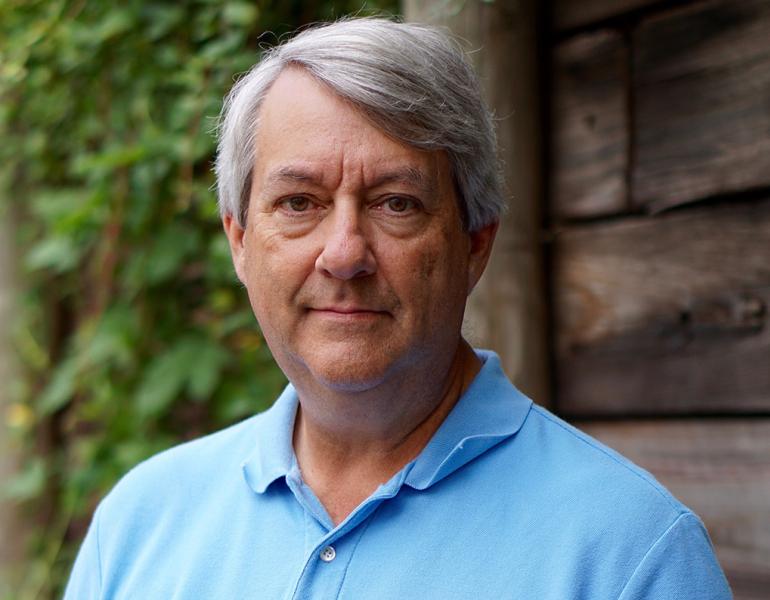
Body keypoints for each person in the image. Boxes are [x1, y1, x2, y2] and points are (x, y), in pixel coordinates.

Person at [64, 17, 731, 599]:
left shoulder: (632, 555)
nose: (345, 254)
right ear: (239, 241)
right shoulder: (139, 524)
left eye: (397, 203)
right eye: (300, 203)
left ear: (475, 243)